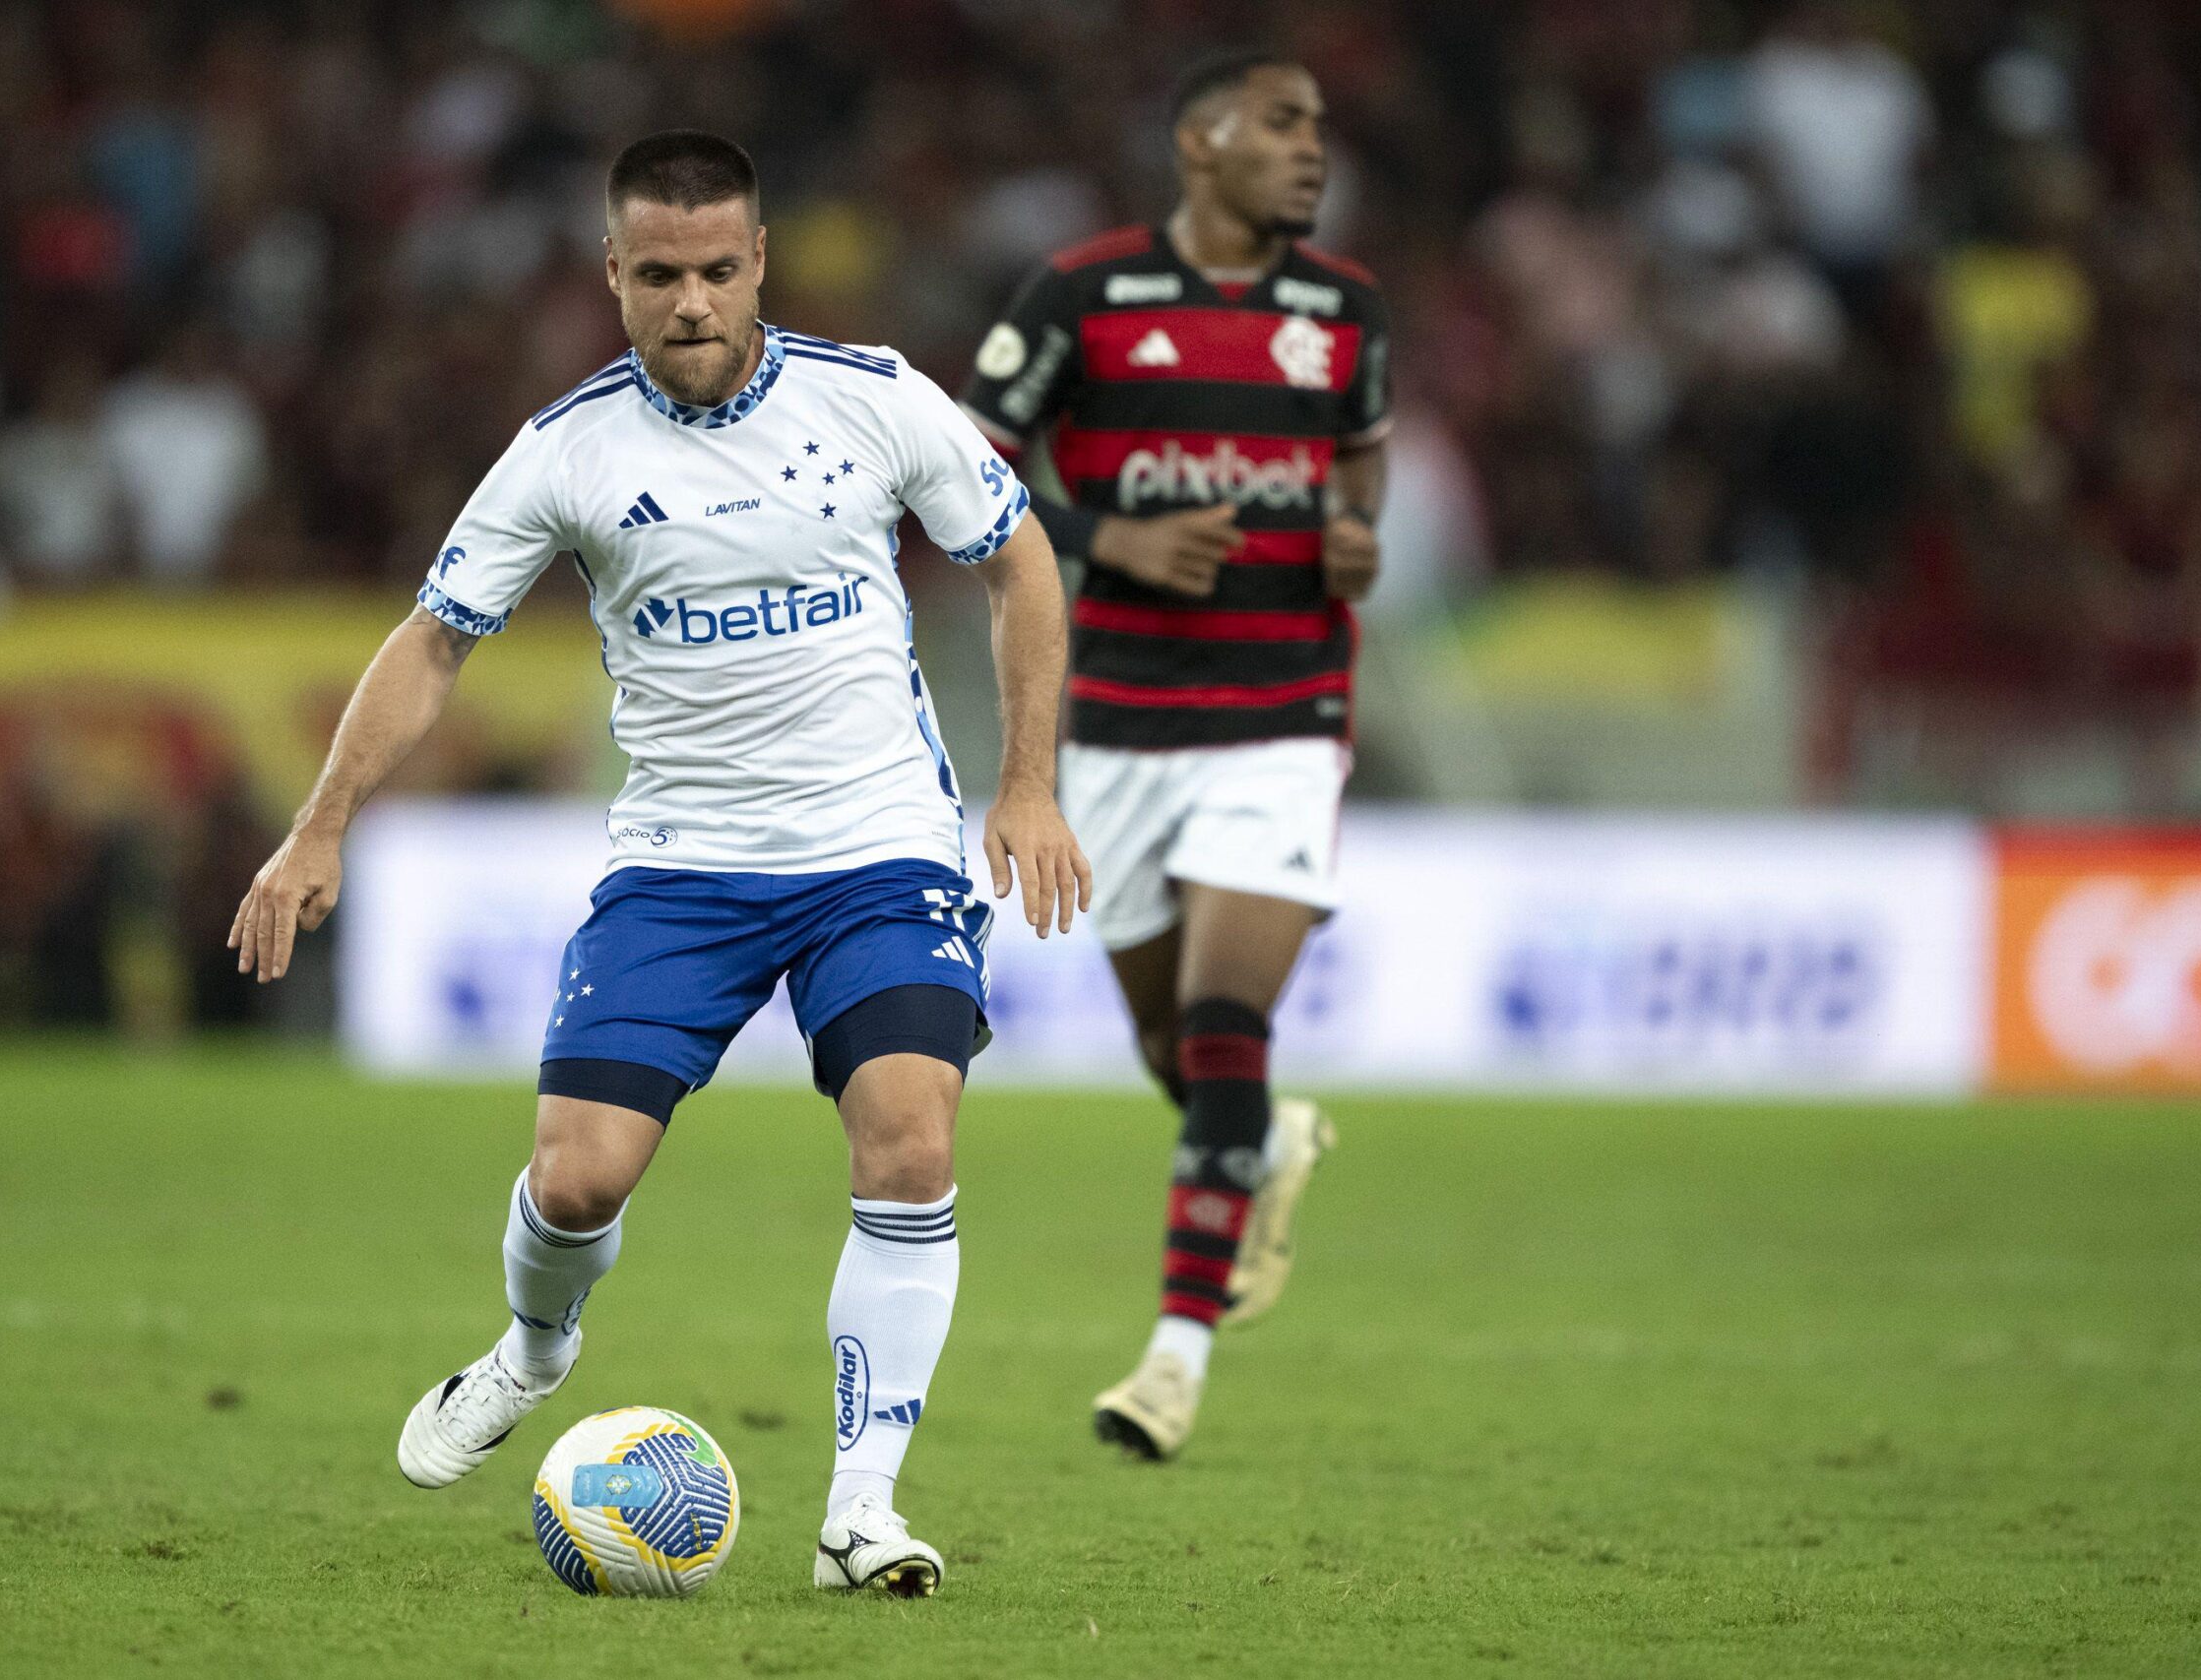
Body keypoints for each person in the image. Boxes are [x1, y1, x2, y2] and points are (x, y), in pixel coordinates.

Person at [226, 130, 1088, 1595]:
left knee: (912, 1140)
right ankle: (533, 1350)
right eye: (659, 275)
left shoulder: (875, 401)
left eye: (717, 270)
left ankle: (860, 1510)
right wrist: (321, 826)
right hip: (680, 868)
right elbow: (435, 642)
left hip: (876, 852)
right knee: (574, 1185)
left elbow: (1017, 561)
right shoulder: (566, 450)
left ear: (759, 261)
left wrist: (1026, 786)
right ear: (612, 275)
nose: (691, 302)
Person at [958, 51, 1389, 1461]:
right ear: (1200, 143)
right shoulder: (1083, 296)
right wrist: (1113, 541)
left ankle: (1172, 1362)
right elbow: (964, 477)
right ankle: (1259, 1145)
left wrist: (1354, 539)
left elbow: (1360, 469)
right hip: (1125, 723)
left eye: (1318, 128)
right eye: (1281, 124)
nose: (1311, 149)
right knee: (1177, 1048)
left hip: (1284, 713)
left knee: (1221, 1023)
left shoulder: (1346, 314)